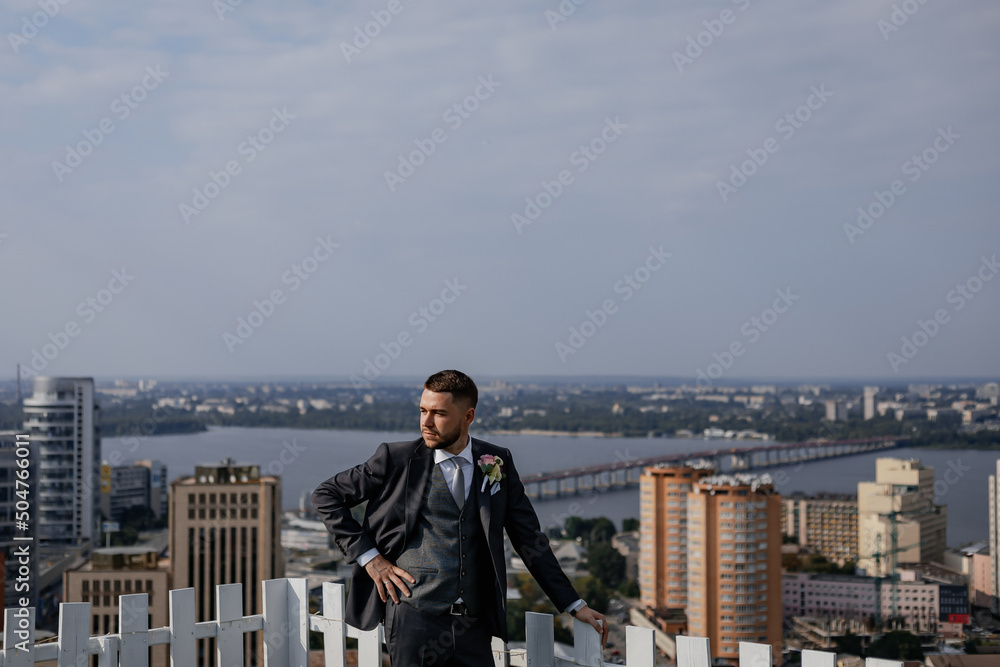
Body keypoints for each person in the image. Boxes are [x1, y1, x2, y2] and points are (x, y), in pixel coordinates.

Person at [312, 369, 608, 665]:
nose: (426, 423)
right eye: (423, 411)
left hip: (474, 625)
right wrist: (369, 558)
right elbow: (326, 496)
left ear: (468, 416)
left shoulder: (497, 462)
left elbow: (529, 538)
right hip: (414, 619)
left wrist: (574, 604)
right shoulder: (396, 459)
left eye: (438, 413)